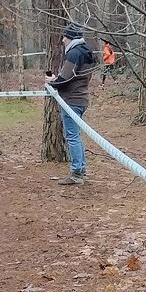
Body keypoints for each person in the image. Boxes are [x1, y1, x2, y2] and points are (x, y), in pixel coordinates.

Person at [45, 23, 97, 186]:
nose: (62, 40)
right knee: (76, 135)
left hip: (72, 100)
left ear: (69, 37)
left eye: (64, 37)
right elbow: (76, 77)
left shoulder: (74, 53)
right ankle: (80, 169)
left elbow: (66, 78)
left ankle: (76, 173)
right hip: (81, 98)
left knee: (72, 136)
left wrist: (52, 83)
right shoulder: (86, 52)